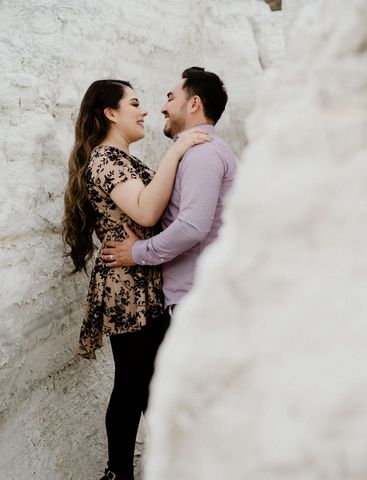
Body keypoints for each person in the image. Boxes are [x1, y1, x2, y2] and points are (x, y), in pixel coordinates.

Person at [62, 79, 211, 480]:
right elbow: (146, 212)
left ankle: (164, 465)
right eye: (134, 103)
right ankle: (118, 473)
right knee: (132, 383)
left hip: (143, 279)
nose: (144, 111)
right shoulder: (107, 160)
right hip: (126, 286)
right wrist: (178, 148)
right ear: (111, 113)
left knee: (149, 382)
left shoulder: (125, 160)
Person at [101, 67, 237, 328]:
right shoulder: (205, 150)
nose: (163, 107)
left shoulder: (203, 154)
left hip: (197, 302)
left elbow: (191, 227)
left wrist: (137, 252)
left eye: (171, 98)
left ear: (194, 103)